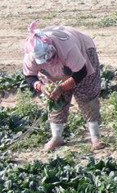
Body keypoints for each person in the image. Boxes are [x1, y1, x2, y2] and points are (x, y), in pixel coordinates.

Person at [22, 21, 105, 151]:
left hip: (82, 53)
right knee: (56, 100)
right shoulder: (31, 55)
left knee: (87, 95)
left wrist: (62, 88)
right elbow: (29, 76)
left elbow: (81, 72)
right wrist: (43, 88)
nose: (47, 61)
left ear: (51, 49)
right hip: (56, 73)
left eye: (48, 57)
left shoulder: (67, 49)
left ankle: (95, 137)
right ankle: (57, 137)